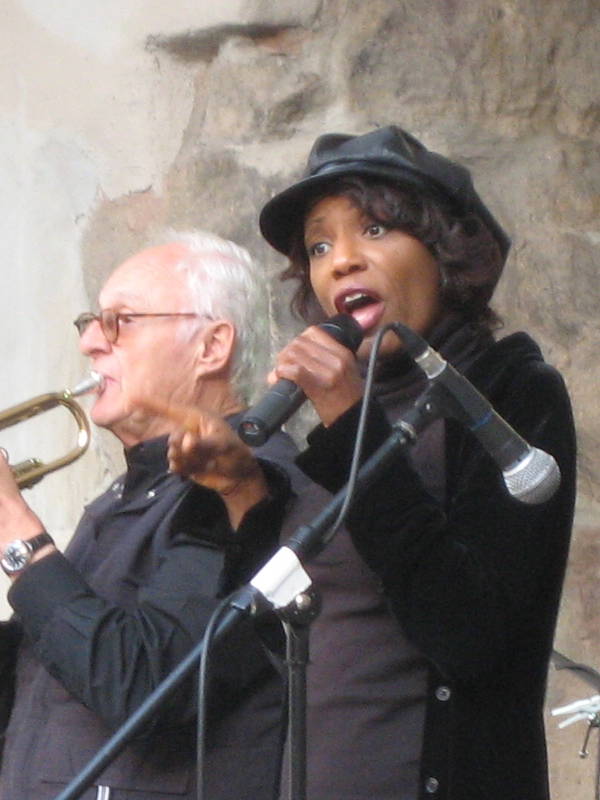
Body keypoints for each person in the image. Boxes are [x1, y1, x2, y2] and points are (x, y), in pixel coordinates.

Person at [252, 126, 577, 800]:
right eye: (319, 245)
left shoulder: (509, 393)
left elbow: (470, 635)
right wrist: (231, 497)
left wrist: (351, 423)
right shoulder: (332, 430)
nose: (340, 261)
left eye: (373, 230)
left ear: (447, 253)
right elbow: (264, 660)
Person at [0, 231, 299, 800]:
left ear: (212, 346)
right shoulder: (124, 494)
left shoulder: (247, 487)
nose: (90, 342)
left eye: (121, 321)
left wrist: (14, 531)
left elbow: (147, 683)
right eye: (92, 321)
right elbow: (49, 680)